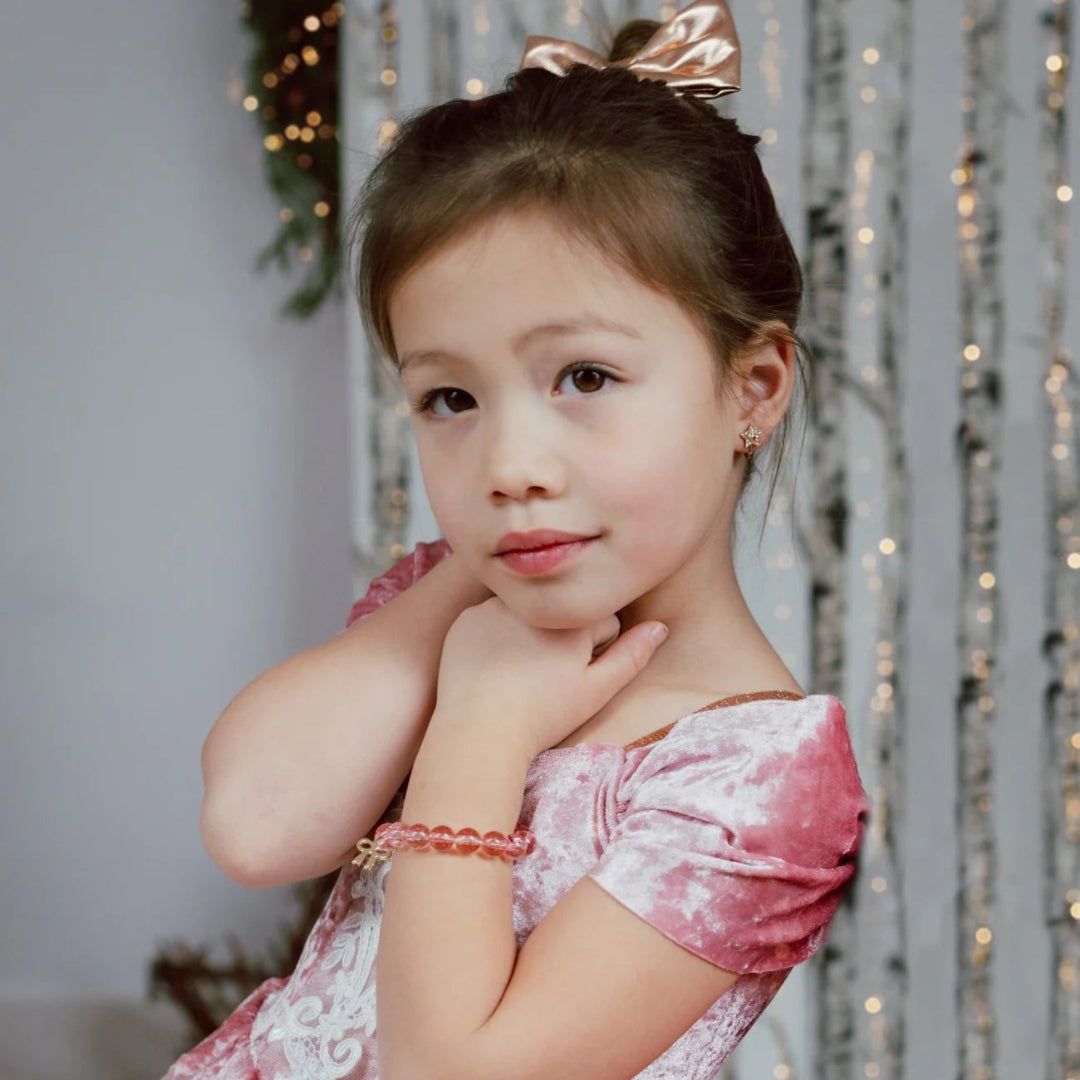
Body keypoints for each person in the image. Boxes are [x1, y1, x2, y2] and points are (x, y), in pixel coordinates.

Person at [165, 2, 868, 1077]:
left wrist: (482, 732)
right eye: (450, 397)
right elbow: (258, 824)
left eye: (584, 377)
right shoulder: (453, 607)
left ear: (752, 388)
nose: (508, 465)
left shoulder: (755, 781)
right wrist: (464, 596)